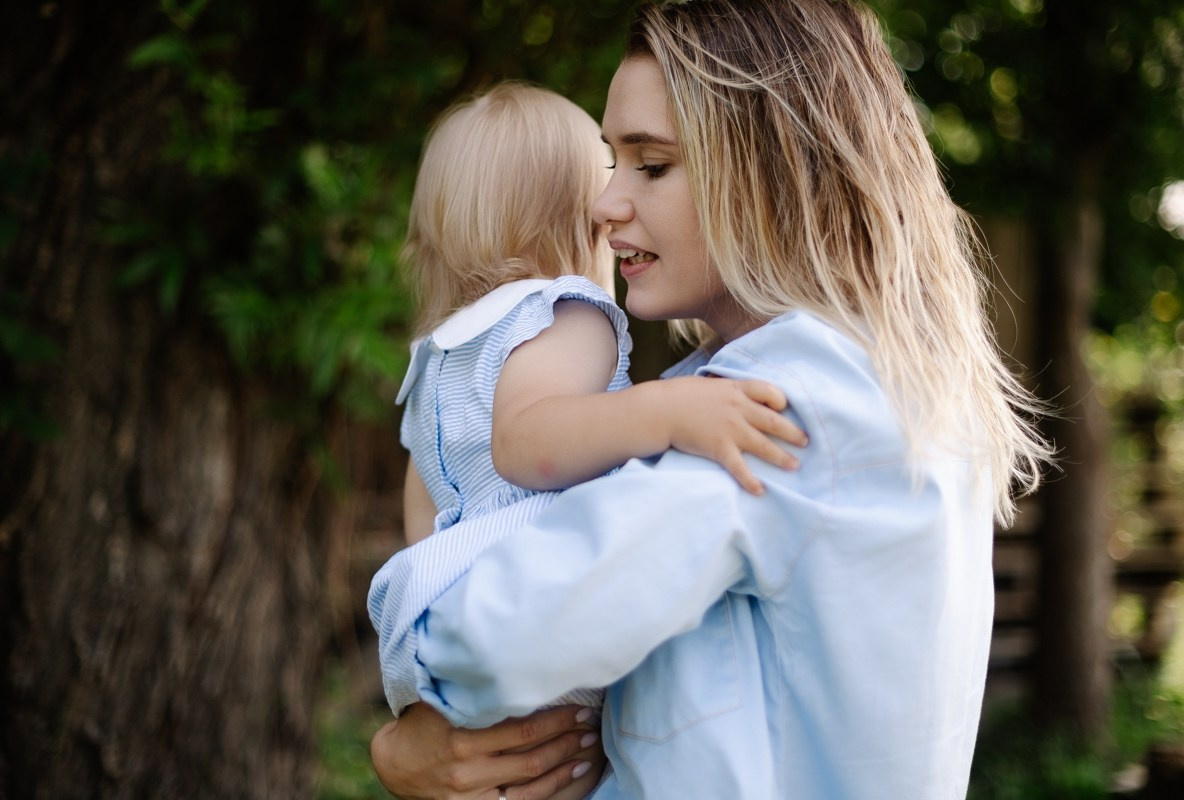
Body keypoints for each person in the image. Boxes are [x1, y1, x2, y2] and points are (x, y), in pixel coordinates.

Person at [368, 1, 1054, 798]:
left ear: (772, 170)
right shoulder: (760, 385)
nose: (603, 204)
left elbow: (498, 633)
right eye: (610, 163)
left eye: (650, 166)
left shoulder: (793, 399)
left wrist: (407, 728)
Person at [372, 80, 806, 800]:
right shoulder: (567, 314)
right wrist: (666, 410)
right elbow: (528, 442)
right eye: (607, 178)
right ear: (577, 217)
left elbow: (425, 518)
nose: (616, 209)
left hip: (441, 631)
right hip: (532, 612)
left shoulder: (439, 359)